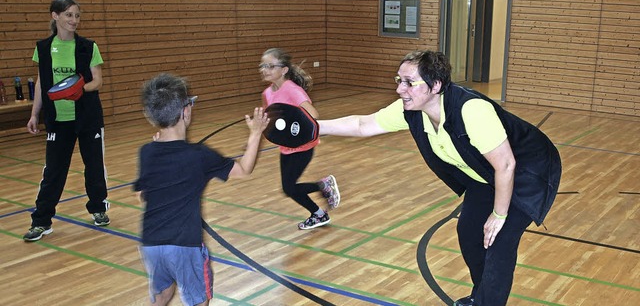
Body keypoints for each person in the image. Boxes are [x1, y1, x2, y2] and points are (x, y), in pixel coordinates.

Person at [317, 50, 561, 306]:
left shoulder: (472, 110)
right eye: (398, 80)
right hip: (484, 172)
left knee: (499, 241)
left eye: (410, 82)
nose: (401, 89)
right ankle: (481, 296)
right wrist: (314, 125)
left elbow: (507, 164)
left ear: (436, 85)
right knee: (469, 232)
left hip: (527, 171)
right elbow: (362, 125)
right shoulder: (411, 110)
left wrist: (499, 216)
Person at [134, 73, 269, 306]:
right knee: (199, 301)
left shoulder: (147, 151)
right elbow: (244, 169)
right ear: (185, 112)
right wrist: (256, 133)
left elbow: (142, 196)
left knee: (163, 295)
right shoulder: (199, 156)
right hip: (185, 246)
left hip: (151, 243)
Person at [24, 0, 110, 242]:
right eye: (69, 15)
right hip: (57, 120)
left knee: (93, 166)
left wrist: (79, 89)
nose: (74, 20)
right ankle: (41, 221)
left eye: (77, 15)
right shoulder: (42, 48)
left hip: (88, 117)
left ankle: (98, 208)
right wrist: (34, 113)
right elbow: (42, 83)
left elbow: (97, 80)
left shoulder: (88, 46)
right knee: (53, 171)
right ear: (55, 16)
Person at [259, 48, 340, 230]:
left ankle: (322, 188)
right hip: (286, 148)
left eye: (270, 66)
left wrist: (298, 131)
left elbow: (313, 116)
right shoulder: (267, 93)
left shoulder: (292, 90)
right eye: (263, 66)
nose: (265, 70)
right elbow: (272, 121)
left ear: (284, 70)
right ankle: (318, 213)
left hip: (303, 147)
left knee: (288, 188)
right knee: (289, 188)